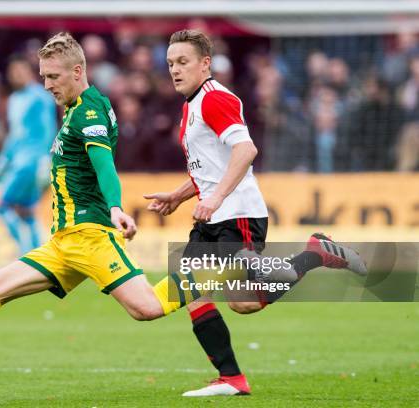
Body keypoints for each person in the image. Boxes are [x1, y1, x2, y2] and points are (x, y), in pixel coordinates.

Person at [0, 32, 206, 397]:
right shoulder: (77, 108)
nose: (47, 84)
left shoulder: (88, 112)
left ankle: (217, 269)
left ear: (77, 70)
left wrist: (116, 208)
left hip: (89, 238)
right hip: (62, 242)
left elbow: (105, 167)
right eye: (43, 76)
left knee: (146, 308)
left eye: (53, 76)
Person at [144, 29, 366, 397]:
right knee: (225, 300)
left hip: (237, 214)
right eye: (170, 63)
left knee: (226, 298)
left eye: (183, 62)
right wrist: (180, 195)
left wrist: (214, 200)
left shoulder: (216, 99)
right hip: (212, 216)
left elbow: (245, 151)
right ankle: (232, 378)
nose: (175, 70)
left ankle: (313, 255)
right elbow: (210, 170)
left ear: (205, 63)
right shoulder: (191, 105)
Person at [0, 54, 57, 255]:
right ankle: (40, 254)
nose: (16, 76)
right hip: (18, 160)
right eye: (13, 72)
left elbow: (48, 129)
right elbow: (15, 134)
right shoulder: (14, 99)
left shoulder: (40, 97)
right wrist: (4, 159)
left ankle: (24, 250)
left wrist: (47, 157)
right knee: (26, 209)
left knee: (2, 206)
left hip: (31, 162)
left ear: (29, 72)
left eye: (20, 71)